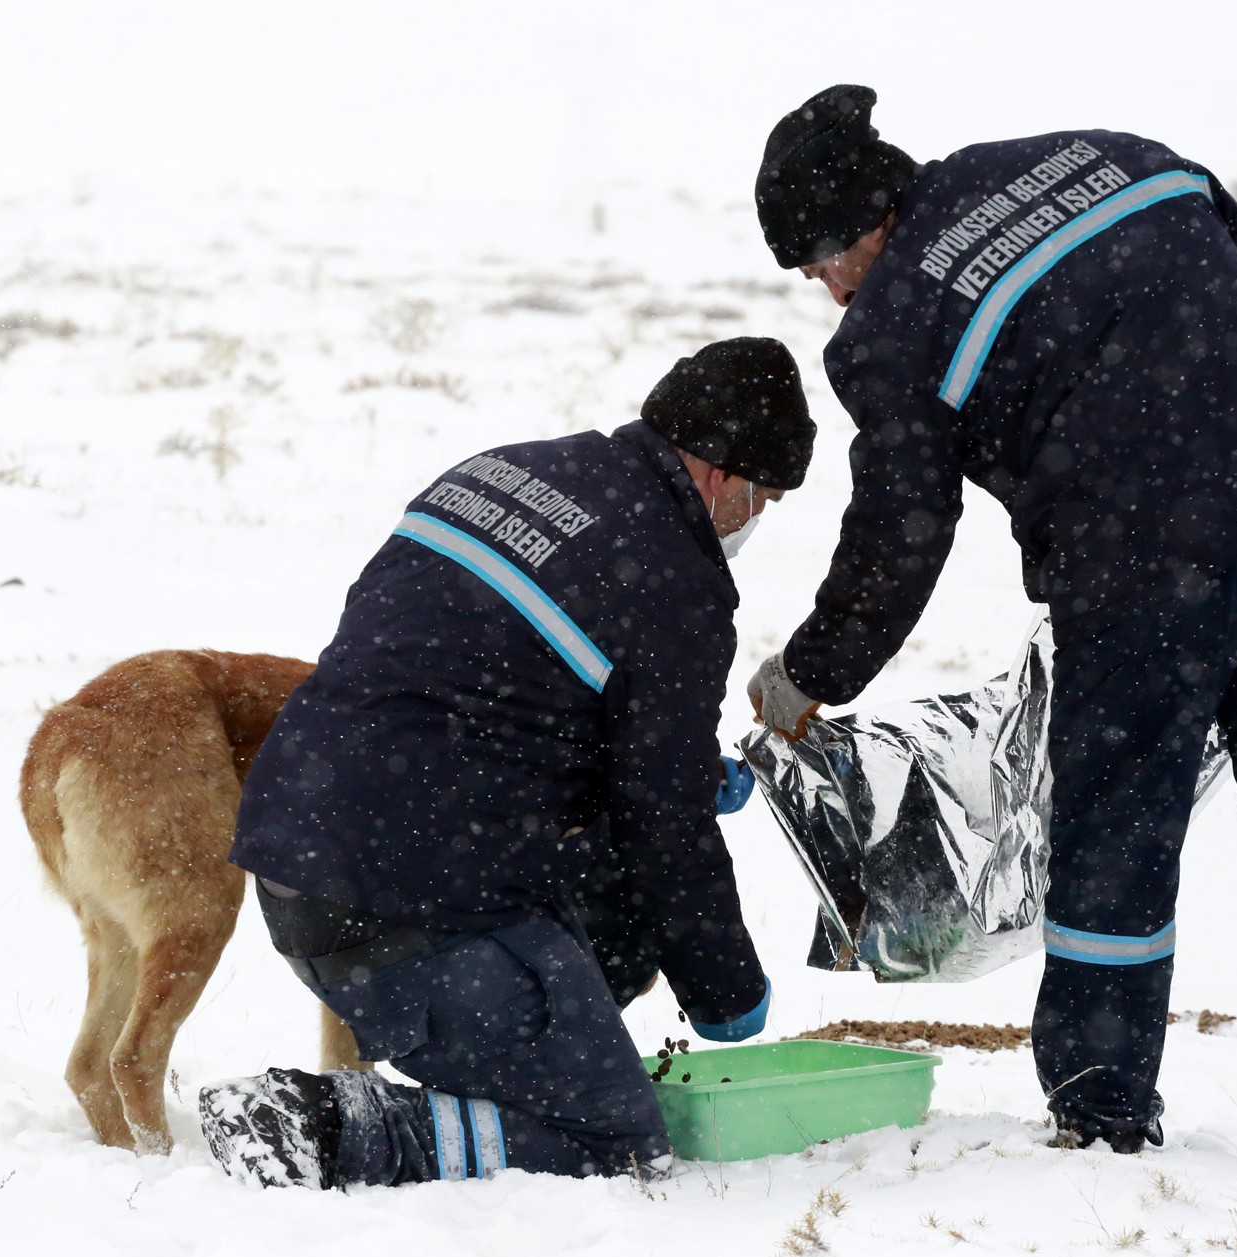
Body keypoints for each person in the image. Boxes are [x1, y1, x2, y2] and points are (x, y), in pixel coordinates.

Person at [744, 86, 1237, 1187]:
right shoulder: (1117, 156)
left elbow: (901, 532)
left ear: (858, 230)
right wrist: (1218, 440)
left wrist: (809, 672)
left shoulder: (888, 327)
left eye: (817, 270)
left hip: (1141, 568)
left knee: (1114, 841)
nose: (828, 295)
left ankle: (1100, 1118)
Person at [200, 337, 814, 1189]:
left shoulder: (498, 472)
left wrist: (669, 760)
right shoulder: (676, 580)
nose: (755, 519)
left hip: (300, 851)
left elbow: (458, 672)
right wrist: (724, 987)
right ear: (720, 473)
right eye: (764, 498)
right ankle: (324, 1126)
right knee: (618, 1139)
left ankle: (546, 1035)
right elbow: (662, 825)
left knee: (613, 901)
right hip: (418, 898)